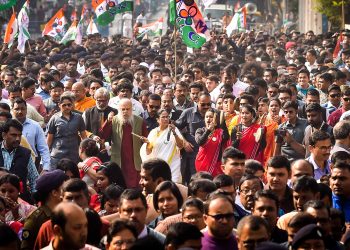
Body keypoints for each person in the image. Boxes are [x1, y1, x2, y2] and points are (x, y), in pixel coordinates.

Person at [99, 98, 148, 188]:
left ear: (132, 109)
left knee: (134, 186)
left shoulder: (140, 121)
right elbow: (103, 135)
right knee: (118, 185)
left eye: (128, 109)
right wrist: (108, 121)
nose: (125, 111)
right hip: (119, 159)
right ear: (119, 109)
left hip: (134, 161)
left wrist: (145, 140)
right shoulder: (113, 120)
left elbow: (146, 140)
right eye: (123, 109)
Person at [21, 170, 66, 250]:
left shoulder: (65, 213)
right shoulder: (35, 220)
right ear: (54, 192)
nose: (67, 191)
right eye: (64, 188)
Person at [0, 119, 39, 200]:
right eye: (14, 135)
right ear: (4, 135)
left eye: (19, 135)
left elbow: (34, 179)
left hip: (20, 202)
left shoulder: (25, 154)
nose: (17, 138)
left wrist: (36, 199)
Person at [141, 109, 184, 183]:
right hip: (158, 166)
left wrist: (174, 133)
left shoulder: (174, 129)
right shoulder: (153, 132)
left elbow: (180, 146)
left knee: (173, 187)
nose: (166, 119)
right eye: (163, 117)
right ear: (158, 119)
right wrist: (147, 143)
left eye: (167, 117)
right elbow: (148, 152)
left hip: (173, 166)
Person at [47, 94, 87, 168]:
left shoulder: (78, 117)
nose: (67, 107)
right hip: (58, 155)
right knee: (57, 176)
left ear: (72, 105)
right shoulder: (54, 118)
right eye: (64, 105)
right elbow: (49, 138)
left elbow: (83, 136)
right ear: (59, 105)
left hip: (73, 154)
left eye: (69, 105)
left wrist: (85, 151)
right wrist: (46, 155)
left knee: (73, 177)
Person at [11, 97, 51, 171]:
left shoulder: (35, 126)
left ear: (26, 110)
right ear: (12, 110)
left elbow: (43, 148)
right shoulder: (8, 126)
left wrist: (46, 168)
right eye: (17, 109)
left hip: (31, 163)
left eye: (23, 109)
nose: (20, 111)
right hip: (11, 163)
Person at [82, 87, 117, 161]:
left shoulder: (115, 112)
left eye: (104, 101)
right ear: (95, 99)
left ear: (108, 100)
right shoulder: (88, 112)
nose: (101, 103)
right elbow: (82, 130)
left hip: (110, 148)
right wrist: (92, 136)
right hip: (92, 148)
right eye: (99, 100)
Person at [195, 109, 229, 177]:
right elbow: (200, 142)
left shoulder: (220, 132)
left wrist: (223, 121)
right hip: (202, 164)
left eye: (211, 117)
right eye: (206, 117)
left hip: (216, 166)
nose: (208, 119)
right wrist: (208, 131)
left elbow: (226, 137)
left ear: (215, 120)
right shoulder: (200, 130)